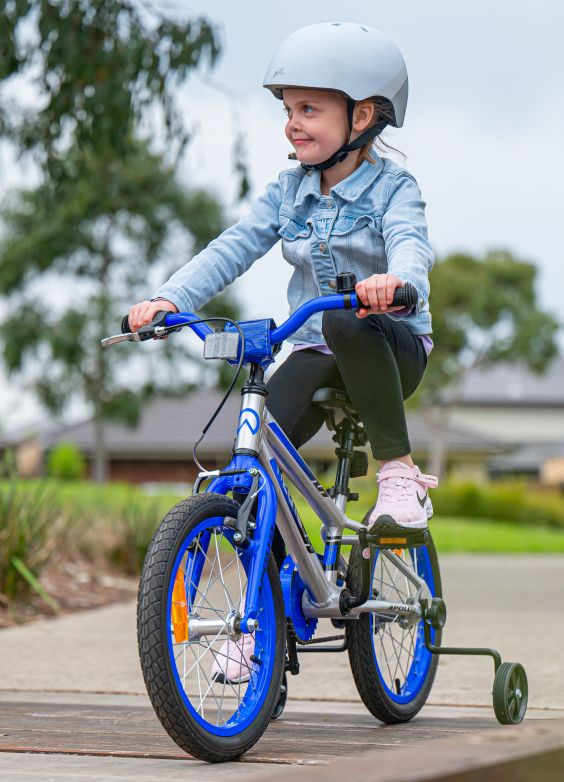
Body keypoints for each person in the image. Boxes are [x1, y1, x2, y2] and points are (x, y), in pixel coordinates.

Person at [128, 22, 438, 681]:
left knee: (347, 319)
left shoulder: (393, 191)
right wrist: (165, 298)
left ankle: (400, 475)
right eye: (288, 109)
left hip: (389, 345)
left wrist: (397, 285)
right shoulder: (288, 190)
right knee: (248, 473)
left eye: (309, 109)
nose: (293, 124)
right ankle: (254, 616)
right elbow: (233, 247)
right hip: (315, 349)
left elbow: (412, 244)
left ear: (361, 116)